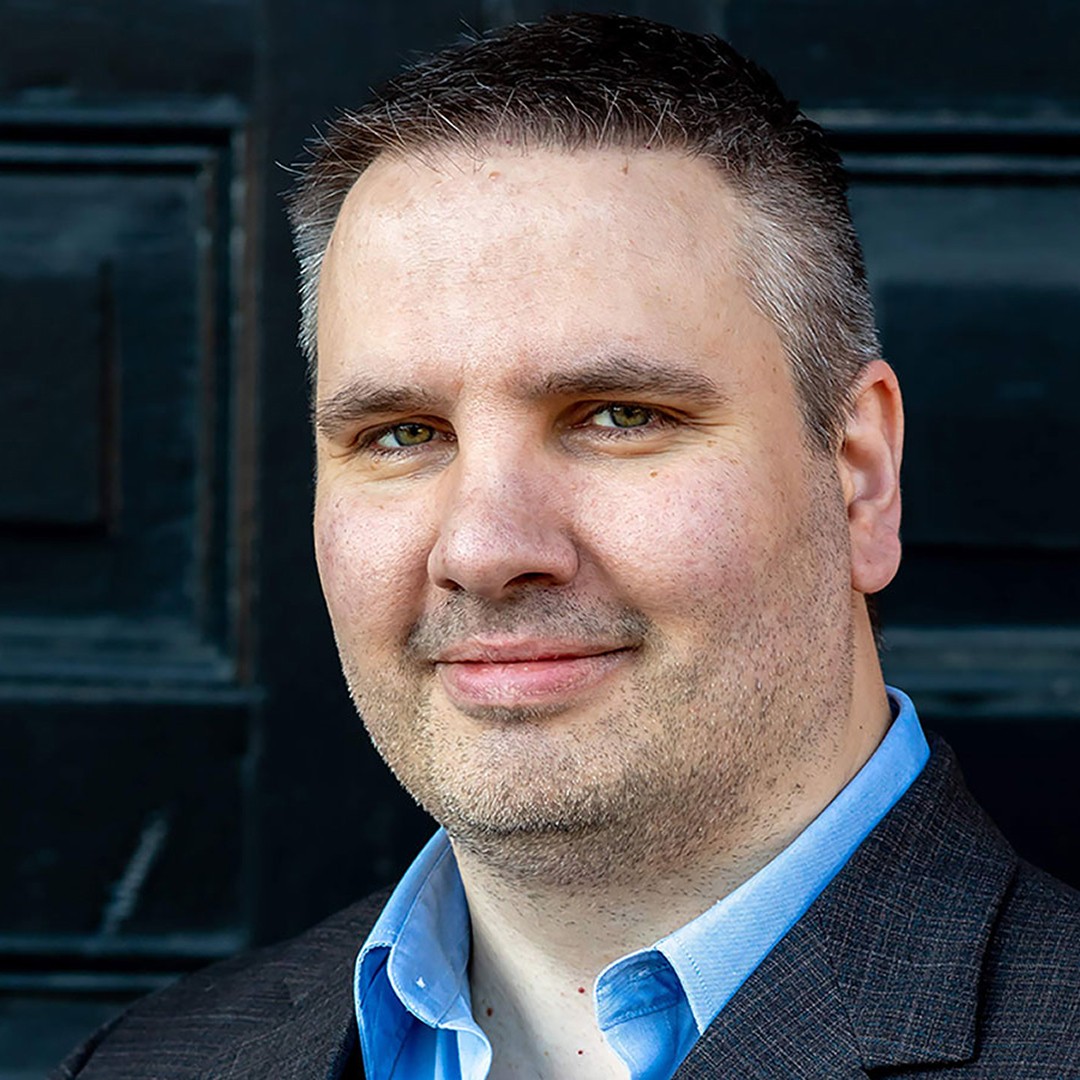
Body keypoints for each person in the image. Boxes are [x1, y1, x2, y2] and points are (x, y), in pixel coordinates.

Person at [54, 12, 1079, 1079]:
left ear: (861, 474)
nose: (488, 548)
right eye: (401, 435)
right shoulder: (147, 1062)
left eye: (617, 415)